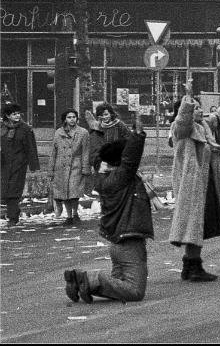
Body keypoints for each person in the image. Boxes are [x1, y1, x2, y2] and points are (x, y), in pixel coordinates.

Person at [64, 114, 152, 304]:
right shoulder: (121, 177)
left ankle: (82, 283)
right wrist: (138, 135)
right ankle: (88, 279)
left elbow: (97, 152)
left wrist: (95, 131)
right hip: (130, 242)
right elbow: (130, 159)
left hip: (117, 242)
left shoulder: (103, 174)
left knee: (119, 285)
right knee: (135, 292)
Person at [168, 77, 220, 282]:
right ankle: (193, 266)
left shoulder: (204, 126)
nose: (201, 111)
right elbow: (183, 119)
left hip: (206, 182)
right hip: (191, 185)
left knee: (199, 222)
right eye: (197, 108)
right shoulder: (181, 128)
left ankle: (190, 264)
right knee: (193, 222)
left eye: (200, 108)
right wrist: (188, 97)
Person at [49, 110, 92, 226]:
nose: (72, 119)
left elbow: (86, 152)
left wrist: (85, 167)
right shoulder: (58, 132)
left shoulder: (83, 133)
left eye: (74, 117)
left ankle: (75, 214)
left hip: (75, 166)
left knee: (74, 192)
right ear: (65, 119)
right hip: (61, 167)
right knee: (65, 193)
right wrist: (51, 169)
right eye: (69, 117)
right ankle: (69, 216)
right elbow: (54, 152)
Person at [1, 103, 40, 226]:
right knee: (5, 191)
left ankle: (13, 217)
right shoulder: (2, 128)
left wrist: (33, 165)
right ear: (7, 115)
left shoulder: (25, 129)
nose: (17, 116)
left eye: (18, 113)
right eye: (14, 114)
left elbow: (31, 147)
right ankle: (14, 212)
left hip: (19, 164)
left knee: (14, 190)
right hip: (4, 164)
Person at [85, 103, 132, 171]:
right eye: (101, 115)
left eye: (106, 114)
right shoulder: (98, 127)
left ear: (111, 114)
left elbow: (129, 139)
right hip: (102, 160)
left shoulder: (119, 125)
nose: (104, 117)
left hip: (117, 159)